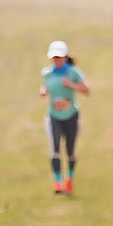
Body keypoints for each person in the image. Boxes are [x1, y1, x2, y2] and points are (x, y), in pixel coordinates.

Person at [41, 40, 91, 194]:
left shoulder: (73, 72)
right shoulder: (47, 73)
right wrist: (43, 91)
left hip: (71, 117)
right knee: (55, 149)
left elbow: (86, 90)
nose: (57, 60)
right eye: (54, 57)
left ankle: (69, 178)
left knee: (70, 150)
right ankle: (58, 182)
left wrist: (71, 85)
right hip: (54, 116)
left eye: (59, 57)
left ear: (64, 57)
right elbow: (46, 86)